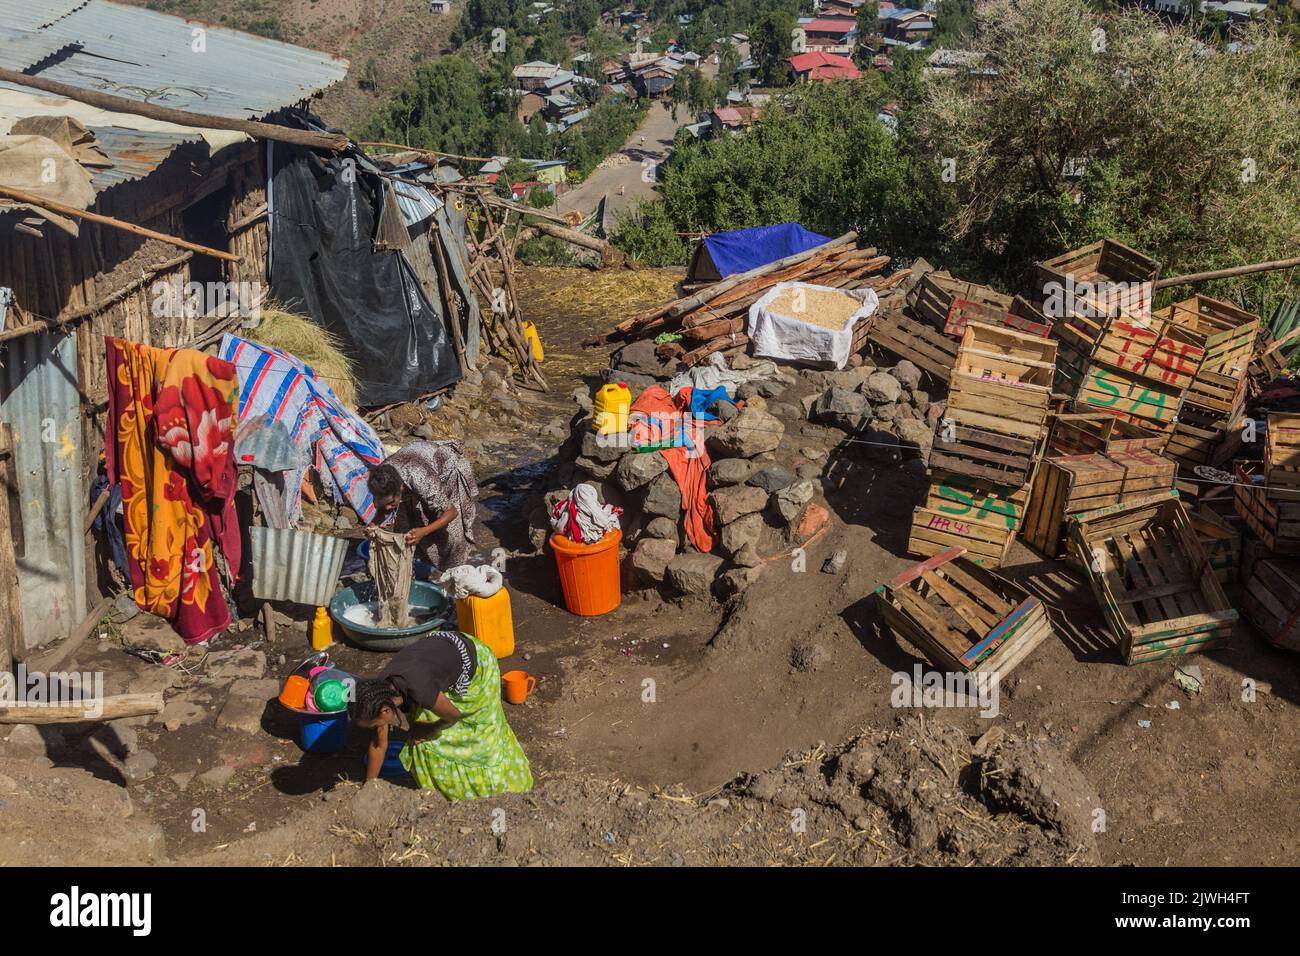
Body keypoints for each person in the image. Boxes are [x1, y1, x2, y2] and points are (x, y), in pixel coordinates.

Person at [350, 631, 533, 799]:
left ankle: (500, 790)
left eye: (374, 725)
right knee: (422, 738)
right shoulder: (377, 694)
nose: (375, 729)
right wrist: (369, 788)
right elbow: (377, 743)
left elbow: (453, 716)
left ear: (386, 711)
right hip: (436, 658)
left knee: (481, 736)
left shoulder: (419, 688)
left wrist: (429, 728)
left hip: (475, 662)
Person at [366, 439, 478, 575]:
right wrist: (373, 524)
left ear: (400, 489)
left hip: (445, 472)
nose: (389, 507)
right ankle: (415, 567)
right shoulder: (380, 480)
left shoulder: (420, 477)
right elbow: (383, 507)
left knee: (451, 535)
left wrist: (425, 531)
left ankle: (451, 576)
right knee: (403, 529)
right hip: (418, 463)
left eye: (391, 503)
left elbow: (451, 512)